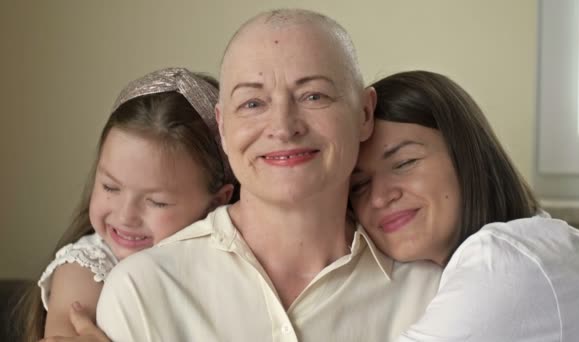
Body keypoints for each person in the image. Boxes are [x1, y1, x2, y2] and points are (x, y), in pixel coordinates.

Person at [77, 9, 444, 342]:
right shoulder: (143, 291)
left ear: (364, 114)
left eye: (313, 96)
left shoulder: (434, 294)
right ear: (223, 126)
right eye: (252, 103)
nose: (283, 127)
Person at [349, 70, 579, 341]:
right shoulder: (532, 245)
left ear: (466, 154)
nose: (379, 197)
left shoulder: (503, 261)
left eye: (404, 163)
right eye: (359, 186)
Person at [19, 67, 236, 341]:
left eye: (156, 202)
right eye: (110, 187)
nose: (125, 215)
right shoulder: (86, 268)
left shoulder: (228, 259)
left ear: (217, 201)